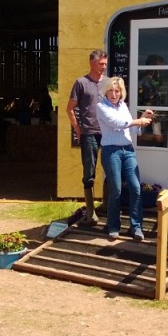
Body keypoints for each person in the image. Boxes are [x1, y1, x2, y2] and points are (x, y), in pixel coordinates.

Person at [95, 77, 154, 241]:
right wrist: (138, 121)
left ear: (121, 92)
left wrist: (141, 120)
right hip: (111, 151)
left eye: (117, 91)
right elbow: (117, 123)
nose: (114, 94)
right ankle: (113, 226)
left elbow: (131, 129)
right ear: (106, 92)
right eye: (111, 90)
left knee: (136, 188)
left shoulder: (123, 106)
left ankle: (136, 227)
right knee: (116, 190)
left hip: (128, 150)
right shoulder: (101, 106)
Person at [66, 50, 108, 225]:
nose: (103, 67)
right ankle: (90, 212)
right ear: (91, 63)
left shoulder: (108, 83)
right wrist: (77, 128)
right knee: (89, 172)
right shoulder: (81, 83)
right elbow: (69, 108)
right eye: (101, 64)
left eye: (105, 64)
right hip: (89, 133)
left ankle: (107, 205)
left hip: (107, 133)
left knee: (111, 169)